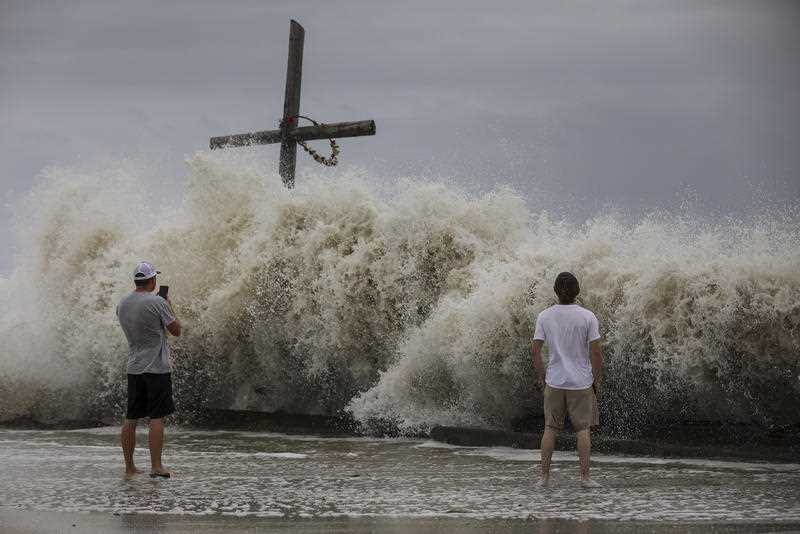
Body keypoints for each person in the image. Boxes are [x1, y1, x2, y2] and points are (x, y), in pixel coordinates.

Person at [532, 272, 603, 488]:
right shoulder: (587, 316)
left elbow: (535, 351)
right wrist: (597, 378)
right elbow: (596, 353)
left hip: (554, 381)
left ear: (555, 291)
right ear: (577, 291)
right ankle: (585, 478)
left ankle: (544, 478)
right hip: (580, 382)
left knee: (550, 429)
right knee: (583, 430)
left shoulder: (544, 316)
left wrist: (542, 376)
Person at [116, 261, 181, 478]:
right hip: (157, 368)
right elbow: (176, 330)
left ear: (137, 281)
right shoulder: (157, 302)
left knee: (131, 417)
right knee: (157, 417)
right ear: (152, 280)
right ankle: (156, 466)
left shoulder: (122, 304)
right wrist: (168, 304)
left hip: (134, 368)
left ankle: (129, 468)